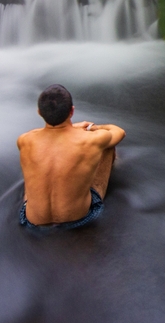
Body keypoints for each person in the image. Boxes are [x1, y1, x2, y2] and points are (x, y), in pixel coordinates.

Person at [17, 84, 125, 231]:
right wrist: (92, 128)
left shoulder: (24, 141)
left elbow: (42, 133)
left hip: (31, 222)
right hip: (80, 219)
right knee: (107, 146)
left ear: (39, 112)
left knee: (34, 161)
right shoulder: (91, 140)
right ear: (72, 111)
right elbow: (119, 131)